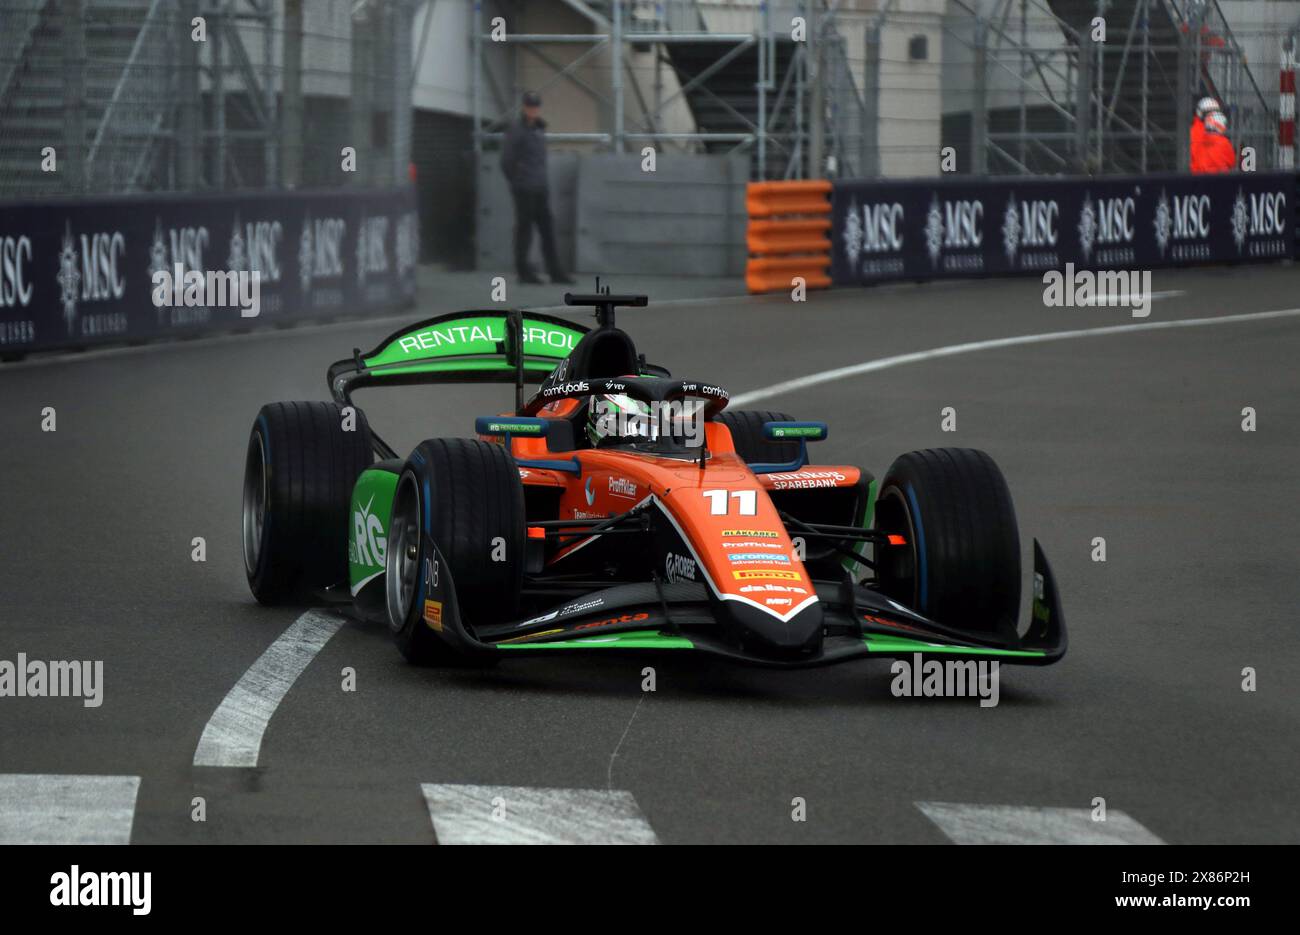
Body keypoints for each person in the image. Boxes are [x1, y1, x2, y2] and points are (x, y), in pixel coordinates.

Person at [501, 91, 574, 285]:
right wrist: (517, 181)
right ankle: (523, 272)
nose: (533, 110)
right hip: (524, 189)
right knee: (524, 231)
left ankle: (555, 272)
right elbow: (506, 161)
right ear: (524, 107)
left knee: (547, 230)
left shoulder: (540, 129)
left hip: (541, 187)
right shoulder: (517, 130)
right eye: (530, 106)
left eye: (535, 107)